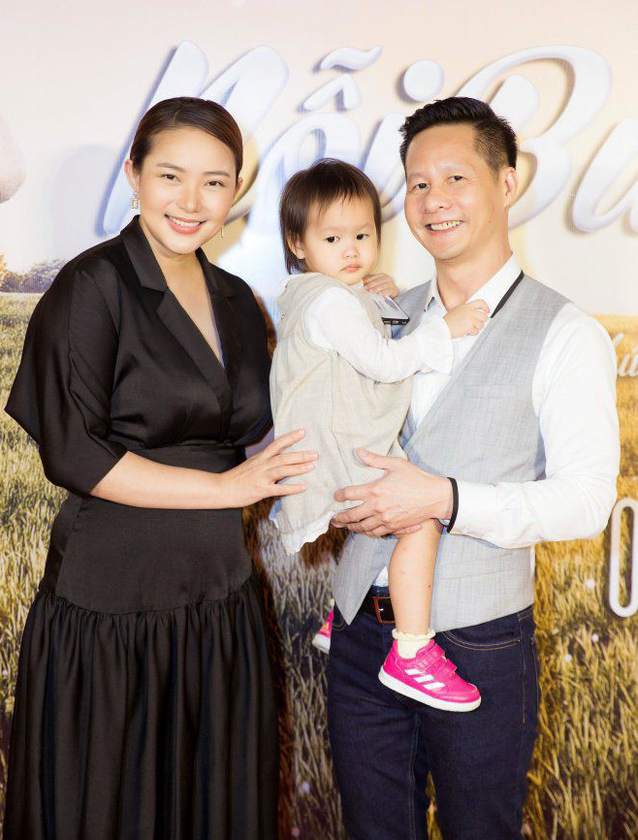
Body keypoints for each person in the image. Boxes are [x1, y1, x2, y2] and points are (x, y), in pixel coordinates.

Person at [3, 96, 318, 840]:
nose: (191, 201)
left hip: (219, 600)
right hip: (113, 608)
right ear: (134, 175)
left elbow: (257, 433)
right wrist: (226, 488)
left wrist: (354, 325)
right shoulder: (92, 286)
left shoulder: (237, 301)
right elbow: (75, 454)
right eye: (171, 175)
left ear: (236, 190)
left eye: (215, 182)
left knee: (210, 807)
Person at [326, 98, 619, 840]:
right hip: (358, 637)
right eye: (418, 184)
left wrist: (446, 499)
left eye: (456, 177)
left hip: (478, 641)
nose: (434, 200)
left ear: (507, 182)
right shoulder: (379, 319)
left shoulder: (565, 332)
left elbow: (587, 500)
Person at [270, 159, 487, 711]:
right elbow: (383, 362)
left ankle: (342, 614)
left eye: (362, 236)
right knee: (419, 518)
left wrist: (376, 298)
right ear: (297, 243)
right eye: (333, 239)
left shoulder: (315, 293)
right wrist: (446, 328)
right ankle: (411, 650)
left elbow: (364, 330)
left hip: (321, 443)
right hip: (335, 445)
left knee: (382, 518)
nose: (351, 250)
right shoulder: (330, 301)